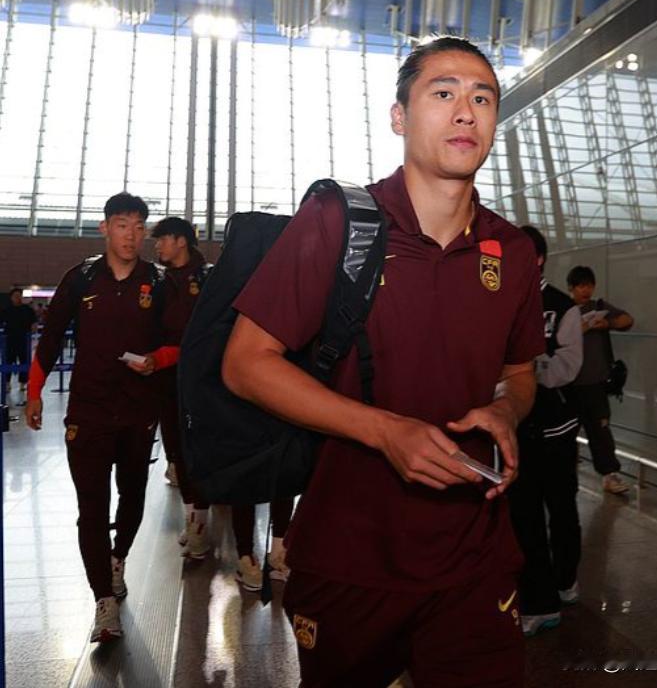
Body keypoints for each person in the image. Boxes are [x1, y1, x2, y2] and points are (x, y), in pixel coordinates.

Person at [222, 37, 544, 687]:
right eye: (443, 93)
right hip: (351, 554)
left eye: (482, 98)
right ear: (399, 116)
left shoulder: (510, 251)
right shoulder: (338, 222)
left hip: (474, 555)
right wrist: (384, 431)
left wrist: (506, 411)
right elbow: (246, 363)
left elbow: (519, 374)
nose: (465, 111)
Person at [25, 193, 180, 643]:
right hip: (88, 411)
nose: (131, 235)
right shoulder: (81, 279)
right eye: (122, 225)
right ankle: (103, 602)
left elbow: (180, 341)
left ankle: (118, 558)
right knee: (91, 506)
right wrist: (33, 393)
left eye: (139, 226)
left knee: (132, 495)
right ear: (105, 228)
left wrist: (156, 360)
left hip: (138, 410)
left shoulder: (159, 282)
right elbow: (51, 338)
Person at [508, 226, 583, 638]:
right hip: (518, 426)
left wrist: (521, 373)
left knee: (562, 508)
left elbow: (567, 367)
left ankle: (565, 579)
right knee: (525, 515)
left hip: (555, 427)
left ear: (537, 259)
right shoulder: (500, 300)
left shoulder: (561, 306)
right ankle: (540, 603)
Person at [151, 216, 213, 559]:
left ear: (180, 241)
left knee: (199, 450)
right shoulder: (157, 280)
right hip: (164, 380)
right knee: (175, 450)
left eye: (162, 239)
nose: (157, 246)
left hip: (200, 381)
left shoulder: (208, 278)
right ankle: (193, 519)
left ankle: (201, 523)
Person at [567, 265, 634, 494]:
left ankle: (609, 475)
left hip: (595, 383)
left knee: (601, 432)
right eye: (581, 286)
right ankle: (565, 476)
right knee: (566, 433)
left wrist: (608, 324)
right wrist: (582, 329)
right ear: (571, 288)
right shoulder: (564, 309)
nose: (586, 291)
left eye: (589, 286)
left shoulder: (599, 307)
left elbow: (627, 320)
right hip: (568, 384)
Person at [0, 287, 37, 399]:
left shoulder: (27, 310)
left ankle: (23, 383)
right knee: (8, 361)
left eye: (19, 296)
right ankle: (7, 383)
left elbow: (34, 322)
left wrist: (33, 328)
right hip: (9, 340)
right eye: (15, 296)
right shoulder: (6, 310)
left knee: (24, 361)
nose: (18, 298)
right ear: (11, 298)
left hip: (24, 340)